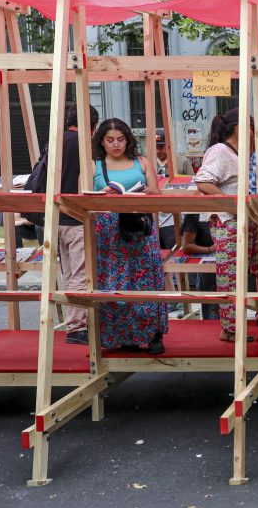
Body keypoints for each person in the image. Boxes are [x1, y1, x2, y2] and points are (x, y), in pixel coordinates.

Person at [193, 108, 258, 342]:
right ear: (239, 128)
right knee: (231, 273)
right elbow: (203, 181)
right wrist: (231, 204)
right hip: (229, 220)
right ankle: (230, 327)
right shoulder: (220, 151)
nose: (255, 133)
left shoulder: (246, 152)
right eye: (252, 128)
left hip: (251, 219)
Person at [91, 118, 167, 354]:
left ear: (128, 140)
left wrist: (145, 192)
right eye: (110, 140)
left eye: (121, 139)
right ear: (101, 142)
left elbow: (157, 194)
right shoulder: (94, 165)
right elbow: (81, 198)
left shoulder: (141, 162)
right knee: (116, 282)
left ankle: (154, 333)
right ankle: (125, 336)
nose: (116, 144)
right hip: (109, 232)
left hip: (140, 228)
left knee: (147, 280)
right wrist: (102, 194)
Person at [60, 104, 98, 345]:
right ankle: (76, 327)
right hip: (76, 215)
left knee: (69, 272)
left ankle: (71, 322)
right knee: (82, 273)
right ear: (92, 125)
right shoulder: (84, 145)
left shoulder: (57, 140)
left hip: (57, 215)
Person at [154, 128, 193, 250]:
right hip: (154, 216)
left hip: (174, 216)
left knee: (175, 251)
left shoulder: (181, 162)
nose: (158, 150)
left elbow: (192, 186)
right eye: (156, 147)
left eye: (162, 146)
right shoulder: (147, 162)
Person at [179, 212, 219, 321]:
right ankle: (212, 323)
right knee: (212, 304)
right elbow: (186, 246)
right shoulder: (194, 215)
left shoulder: (226, 212)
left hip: (227, 262)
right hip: (208, 263)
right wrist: (210, 249)